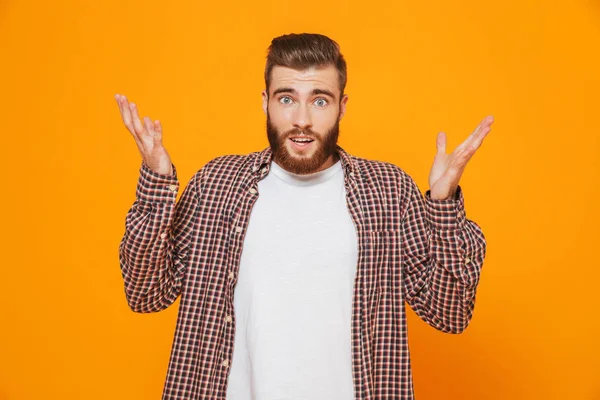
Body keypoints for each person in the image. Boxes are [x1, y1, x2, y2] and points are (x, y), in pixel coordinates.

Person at [116, 33, 492, 400]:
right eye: (286, 98)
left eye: (320, 101)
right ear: (265, 101)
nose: (302, 119)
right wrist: (157, 182)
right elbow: (146, 293)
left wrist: (443, 205)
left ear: (342, 105)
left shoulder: (388, 192)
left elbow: (451, 312)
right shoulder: (218, 185)